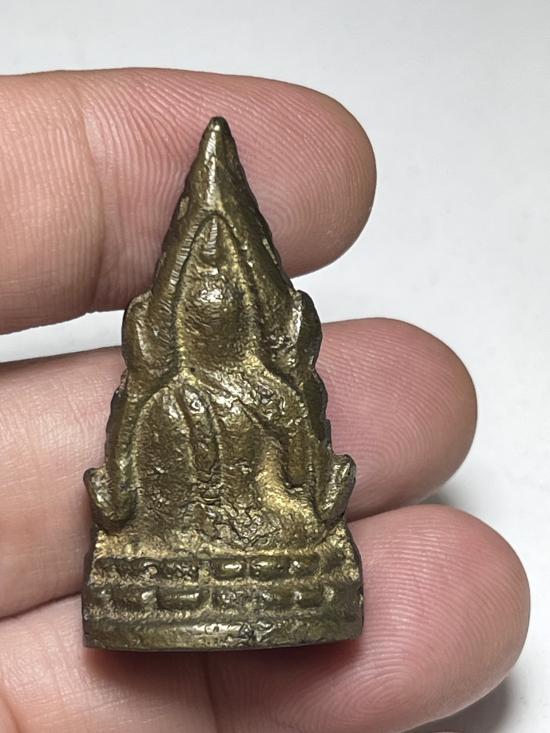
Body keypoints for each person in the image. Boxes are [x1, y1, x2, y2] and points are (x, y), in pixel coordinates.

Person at [0, 68, 529, 733]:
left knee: (301, 540)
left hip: (271, 545)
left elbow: (301, 479)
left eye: (226, 308)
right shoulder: (165, 400)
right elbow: (137, 491)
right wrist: (122, 502)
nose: (212, 314)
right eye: (198, 307)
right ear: (177, 323)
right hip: (176, 551)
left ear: (249, 319)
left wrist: (319, 499)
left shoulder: (272, 395)